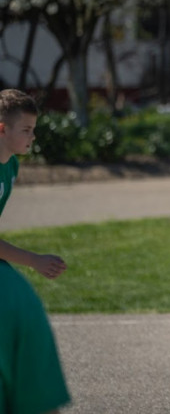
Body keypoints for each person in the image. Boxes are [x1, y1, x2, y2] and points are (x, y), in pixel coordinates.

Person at [0, 88, 70, 413]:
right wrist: (34, 260)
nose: (33, 137)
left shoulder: (11, 166)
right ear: (2, 129)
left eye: (34, 129)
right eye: (26, 130)